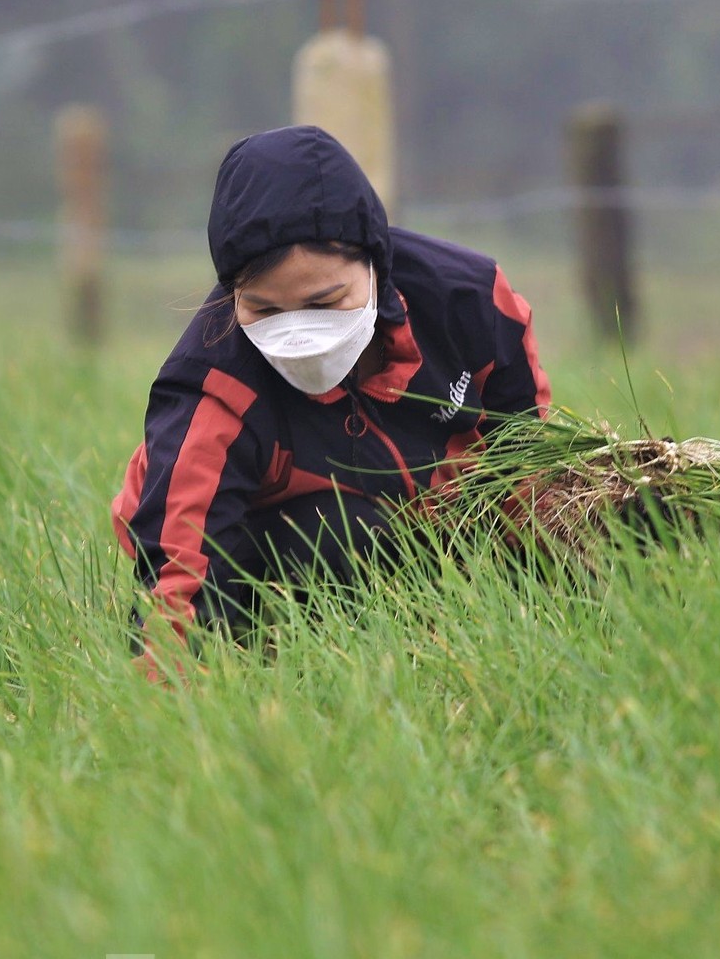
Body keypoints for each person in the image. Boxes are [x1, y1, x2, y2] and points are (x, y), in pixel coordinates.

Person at [110, 125, 552, 679]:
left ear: (373, 263)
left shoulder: (471, 301)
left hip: (423, 534)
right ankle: (301, 665)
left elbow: (527, 467)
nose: (300, 334)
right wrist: (162, 708)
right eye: (266, 311)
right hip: (269, 549)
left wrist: (539, 608)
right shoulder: (209, 384)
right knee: (343, 532)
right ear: (232, 296)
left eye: (325, 300)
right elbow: (179, 561)